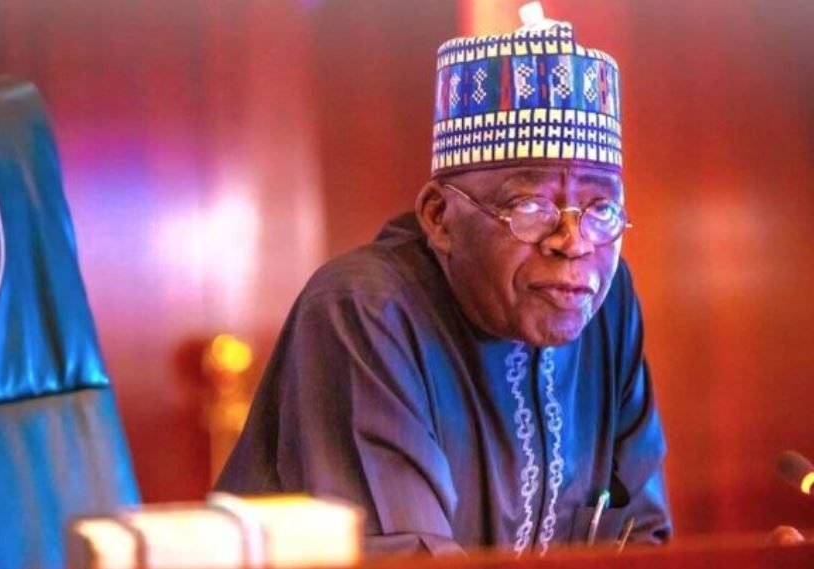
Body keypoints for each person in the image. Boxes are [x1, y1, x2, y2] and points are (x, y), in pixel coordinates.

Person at [215, 3, 671, 556]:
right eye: (530, 206)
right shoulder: (364, 311)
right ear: (439, 217)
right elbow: (407, 560)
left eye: (601, 210)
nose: (574, 242)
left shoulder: (608, 302)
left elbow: (640, 539)